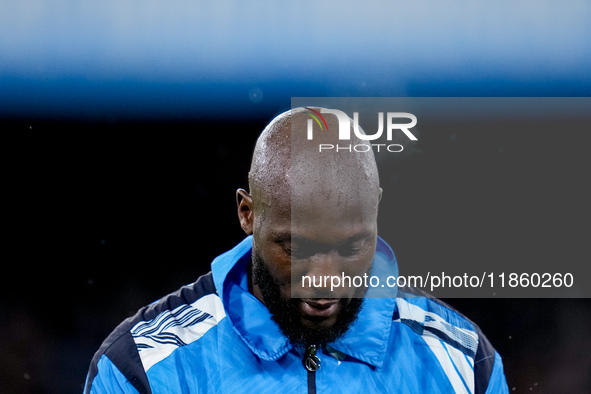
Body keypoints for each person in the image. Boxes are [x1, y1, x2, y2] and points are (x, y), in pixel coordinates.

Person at [84, 108, 509, 393]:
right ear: (247, 214)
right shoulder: (142, 368)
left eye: (351, 247)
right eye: (297, 248)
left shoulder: (466, 365)